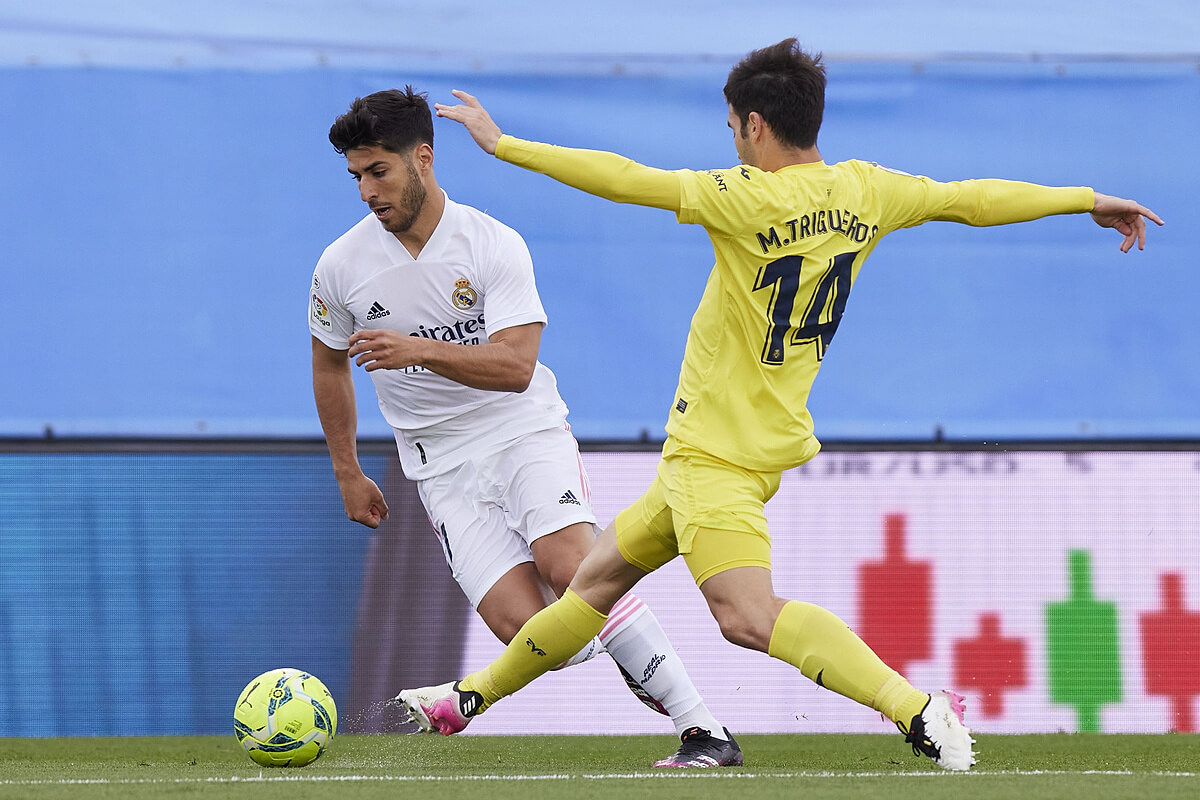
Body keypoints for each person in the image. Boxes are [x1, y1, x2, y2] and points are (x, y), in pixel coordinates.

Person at [403, 39, 1165, 771]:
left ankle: (916, 708)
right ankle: (466, 701)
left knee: (746, 618)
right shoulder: (868, 190)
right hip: (741, 447)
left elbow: (626, 177)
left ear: (755, 125)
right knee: (596, 583)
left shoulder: (743, 197)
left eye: (732, 126)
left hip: (715, 456)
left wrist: (506, 147)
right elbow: (973, 199)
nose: (731, 139)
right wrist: (1083, 200)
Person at [310, 86, 742, 768]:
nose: (367, 191)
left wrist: (418, 348)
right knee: (534, 632)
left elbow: (515, 367)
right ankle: (617, 631)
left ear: (422, 158)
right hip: (439, 466)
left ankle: (704, 730)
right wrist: (346, 468)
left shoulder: (490, 244)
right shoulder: (341, 265)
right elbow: (329, 364)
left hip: (520, 431)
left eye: (379, 172)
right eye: (357, 176)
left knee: (573, 568)